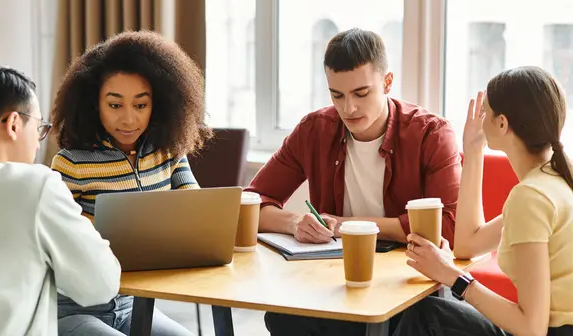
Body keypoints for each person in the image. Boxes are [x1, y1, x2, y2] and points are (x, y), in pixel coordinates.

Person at [245, 28, 462, 335]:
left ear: (387, 82)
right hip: (334, 282)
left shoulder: (431, 134)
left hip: (407, 285)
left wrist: (349, 224)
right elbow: (252, 202)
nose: (348, 108)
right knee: (282, 317)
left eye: (361, 93)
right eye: (337, 95)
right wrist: (296, 223)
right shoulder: (314, 130)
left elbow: (449, 225)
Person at [50, 31, 211, 336]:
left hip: (133, 306)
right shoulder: (70, 162)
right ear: (93, 103)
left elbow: (196, 211)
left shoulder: (169, 151)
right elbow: (59, 243)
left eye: (140, 105)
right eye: (114, 105)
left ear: (159, 104)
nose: (128, 120)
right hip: (74, 310)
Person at [393, 66, 573, 336]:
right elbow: (468, 244)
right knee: (432, 310)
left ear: (502, 123)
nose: (478, 119)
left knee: (424, 315)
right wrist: (473, 150)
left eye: (484, 111)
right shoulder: (555, 181)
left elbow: (532, 328)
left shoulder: (531, 197)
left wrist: (453, 276)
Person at [0, 61, 121, 336]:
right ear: (13, 123)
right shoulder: (33, 186)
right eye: (39, 127)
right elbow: (101, 284)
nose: (39, 141)